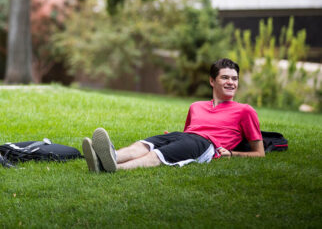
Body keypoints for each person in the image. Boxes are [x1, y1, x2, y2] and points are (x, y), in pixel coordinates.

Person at [82, 58, 265, 173]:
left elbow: (259, 153)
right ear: (212, 81)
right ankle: (104, 158)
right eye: (225, 77)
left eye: (234, 79)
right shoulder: (196, 106)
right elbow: (188, 133)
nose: (231, 82)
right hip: (185, 137)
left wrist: (232, 154)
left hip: (207, 144)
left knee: (158, 154)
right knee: (143, 145)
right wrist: (174, 138)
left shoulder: (245, 110)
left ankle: (114, 169)